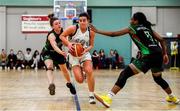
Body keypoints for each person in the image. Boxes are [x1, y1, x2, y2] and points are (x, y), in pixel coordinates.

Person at [90, 12, 180, 108]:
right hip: (158, 55)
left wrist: (97, 31)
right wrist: (165, 54)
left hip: (149, 56)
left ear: (136, 21)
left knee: (125, 73)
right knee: (158, 78)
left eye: (132, 19)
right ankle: (172, 97)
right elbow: (161, 39)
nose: (130, 21)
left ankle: (108, 98)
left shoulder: (132, 28)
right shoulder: (148, 28)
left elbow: (113, 34)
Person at [60, 12, 96, 104]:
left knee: (89, 70)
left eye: (84, 20)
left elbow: (91, 45)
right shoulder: (73, 28)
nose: (82, 22)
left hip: (84, 53)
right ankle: (82, 71)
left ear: (88, 21)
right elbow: (62, 36)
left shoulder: (91, 31)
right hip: (73, 55)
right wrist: (68, 44)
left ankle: (91, 95)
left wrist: (86, 50)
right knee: (79, 80)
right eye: (80, 20)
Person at [41, 13, 76, 96]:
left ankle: (69, 84)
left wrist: (71, 46)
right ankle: (51, 84)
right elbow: (54, 46)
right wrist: (62, 52)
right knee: (49, 66)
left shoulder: (64, 32)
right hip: (48, 52)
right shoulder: (51, 35)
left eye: (59, 23)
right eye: (56, 24)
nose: (59, 25)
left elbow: (66, 42)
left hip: (58, 53)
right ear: (53, 27)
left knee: (64, 70)